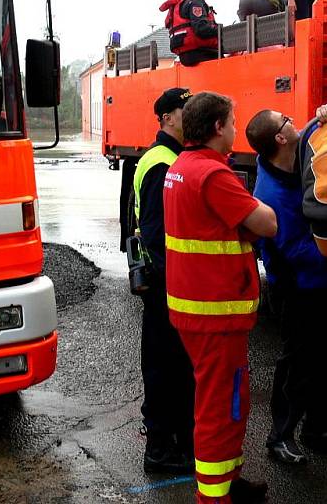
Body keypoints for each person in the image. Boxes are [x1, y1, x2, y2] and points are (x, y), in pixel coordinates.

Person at [163, 91, 277, 504]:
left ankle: (229, 482)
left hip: (199, 310)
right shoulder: (214, 175)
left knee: (232, 400)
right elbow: (266, 223)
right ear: (217, 128)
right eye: (232, 122)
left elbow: (221, 226)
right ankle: (214, 497)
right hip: (215, 315)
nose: (234, 129)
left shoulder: (182, 166)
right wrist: (253, 211)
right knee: (218, 409)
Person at [245, 104, 327, 466]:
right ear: (280, 137)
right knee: (298, 364)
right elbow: (294, 249)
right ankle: (280, 437)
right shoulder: (271, 194)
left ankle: (319, 426)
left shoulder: (300, 146)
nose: (294, 121)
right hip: (298, 287)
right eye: (286, 120)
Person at [132, 88, 196, 474]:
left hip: (165, 281)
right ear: (167, 118)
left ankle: (173, 441)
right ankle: (158, 449)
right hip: (164, 283)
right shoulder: (161, 163)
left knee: (173, 365)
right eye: (184, 109)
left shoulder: (169, 157)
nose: (190, 114)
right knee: (162, 366)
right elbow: (157, 234)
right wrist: (171, 287)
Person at [159, 0, 219, 66]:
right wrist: (221, 30)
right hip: (201, 53)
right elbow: (201, 29)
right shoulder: (196, 3)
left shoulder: (186, 3)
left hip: (186, 55)